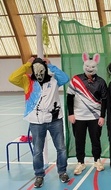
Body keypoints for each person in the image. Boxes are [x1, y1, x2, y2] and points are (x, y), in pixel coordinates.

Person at [8, 57, 70, 188]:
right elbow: (12, 78)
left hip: (55, 120)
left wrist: (52, 66)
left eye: (41, 69)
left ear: (45, 69)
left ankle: (62, 172)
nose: (39, 73)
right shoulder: (27, 81)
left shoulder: (54, 80)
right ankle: (39, 175)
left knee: (61, 148)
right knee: (37, 150)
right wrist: (27, 64)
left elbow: (65, 78)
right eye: (35, 70)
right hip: (36, 122)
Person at [67, 52, 107, 175]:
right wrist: (71, 113)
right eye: (87, 66)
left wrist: (102, 116)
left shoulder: (101, 82)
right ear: (84, 64)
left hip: (95, 117)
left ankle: (97, 160)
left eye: (92, 67)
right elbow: (69, 97)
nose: (90, 69)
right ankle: (80, 162)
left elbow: (105, 99)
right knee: (79, 140)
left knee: (96, 140)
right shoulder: (75, 79)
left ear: (96, 65)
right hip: (78, 117)